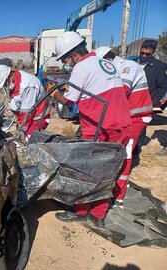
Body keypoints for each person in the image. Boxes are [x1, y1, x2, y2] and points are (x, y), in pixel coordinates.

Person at [51, 32, 131, 228]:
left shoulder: (81, 67)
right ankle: (98, 215)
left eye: (65, 60)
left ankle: (81, 212)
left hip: (98, 127)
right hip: (120, 125)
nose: (66, 64)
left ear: (74, 55)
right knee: (107, 171)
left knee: (85, 171)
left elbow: (70, 102)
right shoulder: (108, 64)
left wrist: (54, 93)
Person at [95, 46, 153, 207]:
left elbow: (120, 92)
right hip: (125, 117)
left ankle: (117, 195)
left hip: (135, 118)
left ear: (107, 60)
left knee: (124, 154)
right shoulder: (117, 70)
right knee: (115, 150)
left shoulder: (128, 67)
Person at [0, 65, 51, 141]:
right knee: (20, 139)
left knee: (28, 143)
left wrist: (21, 131)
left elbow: (28, 113)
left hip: (38, 119)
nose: (6, 86)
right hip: (26, 119)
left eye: (5, 84)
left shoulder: (28, 85)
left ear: (11, 76)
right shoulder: (15, 80)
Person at [134, 40, 167, 156]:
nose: (143, 56)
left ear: (153, 52)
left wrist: (153, 101)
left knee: (140, 127)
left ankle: (135, 151)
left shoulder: (159, 67)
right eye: (142, 53)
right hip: (130, 101)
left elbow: (162, 87)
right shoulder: (133, 62)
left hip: (145, 103)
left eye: (147, 54)